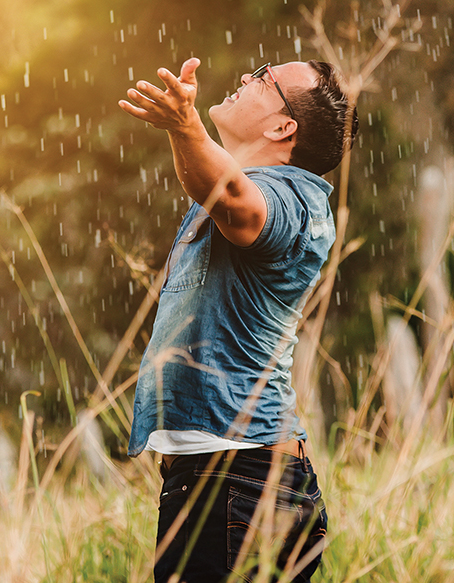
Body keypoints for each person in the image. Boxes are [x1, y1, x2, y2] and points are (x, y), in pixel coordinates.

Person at [118, 56, 358, 583]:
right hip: (224, 481)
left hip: (242, 481)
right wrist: (185, 135)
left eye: (265, 77)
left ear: (281, 126)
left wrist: (186, 127)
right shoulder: (243, 182)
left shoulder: (295, 197)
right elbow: (217, 185)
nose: (248, 76)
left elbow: (238, 205)